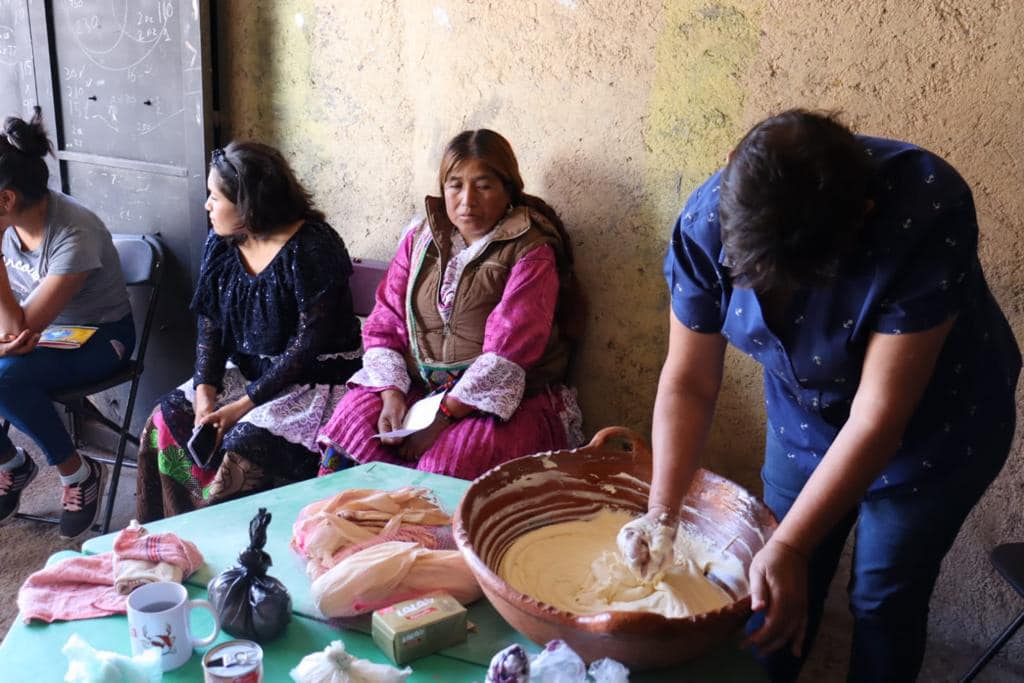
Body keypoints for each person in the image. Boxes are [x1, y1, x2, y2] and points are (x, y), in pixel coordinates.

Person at [618, 110, 1020, 682]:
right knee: (768, 582)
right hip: (804, 421)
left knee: (881, 600)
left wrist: (793, 546)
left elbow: (879, 417)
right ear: (729, 171)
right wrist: (662, 514)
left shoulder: (926, 208)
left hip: (936, 428)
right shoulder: (711, 217)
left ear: (863, 217)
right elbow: (689, 380)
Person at [316, 129, 585, 480]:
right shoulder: (420, 239)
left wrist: (442, 417)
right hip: (419, 388)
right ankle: (354, 529)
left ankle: (426, 536)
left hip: (499, 400)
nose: (467, 201)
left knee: (448, 463)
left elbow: (508, 356)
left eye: (484, 185)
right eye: (455, 185)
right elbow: (386, 321)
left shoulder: (531, 251)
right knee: (352, 423)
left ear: (508, 190)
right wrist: (392, 395)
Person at [135, 142, 362, 521]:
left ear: (249, 204)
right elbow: (211, 324)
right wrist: (206, 393)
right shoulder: (222, 243)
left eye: (215, 197)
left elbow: (307, 347)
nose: (207, 205)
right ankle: (171, 541)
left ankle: (239, 556)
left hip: (314, 382)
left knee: (242, 449)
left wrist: (242, 407)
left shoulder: (312, 247)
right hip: (249, 373)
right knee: (166, 417)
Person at [0, 108, 134, 539]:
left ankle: (78, 474)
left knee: (5, 379)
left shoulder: (75, 234)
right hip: (34, 334)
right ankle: (12, 465)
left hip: (100, 336)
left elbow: (19, 327)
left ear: (6, 199)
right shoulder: (9, 223)